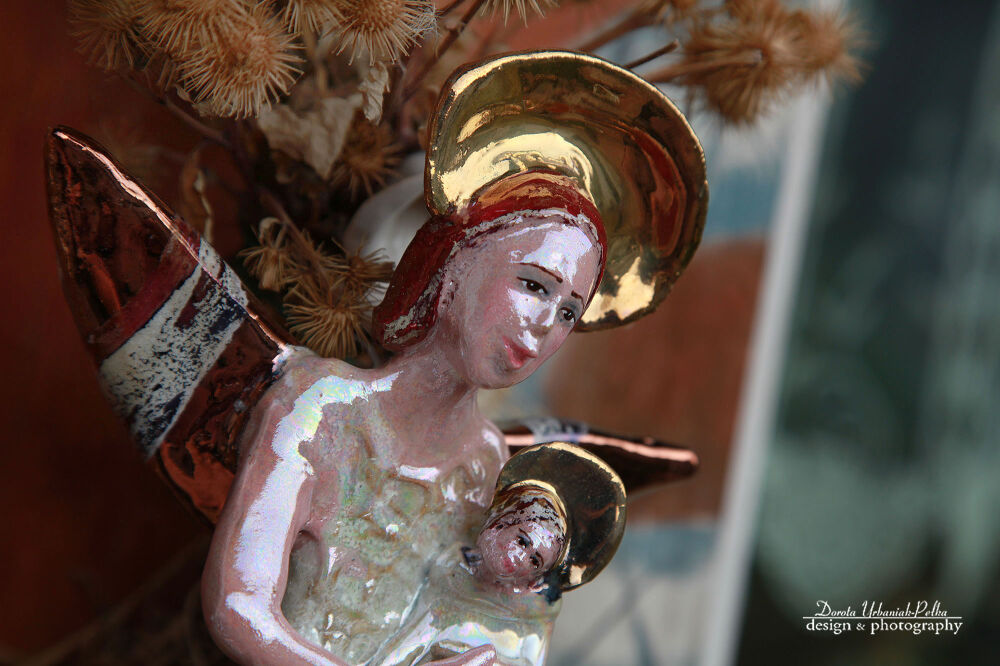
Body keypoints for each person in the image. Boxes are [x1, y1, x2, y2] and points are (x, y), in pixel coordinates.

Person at [201, 50, 708, 666]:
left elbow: (466, 616)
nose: (544, 325)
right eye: (533, 285)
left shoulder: (488, 466)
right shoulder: (322, 409)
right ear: (456, 261)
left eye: (569, 313)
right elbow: (239, 608)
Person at [373, 443, 627, 666]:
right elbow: (417, 634)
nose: (520, 556)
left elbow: (532, 658)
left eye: (534, 560)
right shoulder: (452, 567)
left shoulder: (533, 611)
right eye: (522, 540)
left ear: (535, 578)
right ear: (500, 519)